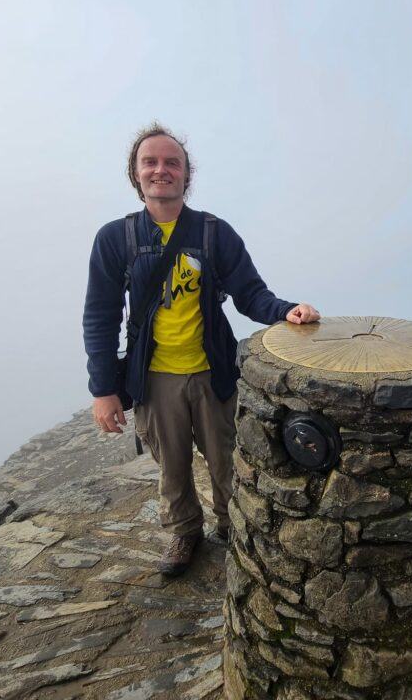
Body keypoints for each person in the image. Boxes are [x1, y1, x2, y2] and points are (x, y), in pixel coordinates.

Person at [83, 124, 320, 577]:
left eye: (172, 162)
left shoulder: (214, 233)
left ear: (187, 174)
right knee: (170, 466)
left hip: (214, 374)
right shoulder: (116, 239)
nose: (161, 170)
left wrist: (287, 310)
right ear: (136, 175)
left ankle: (235, 525)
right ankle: (184, 531)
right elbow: (100, 315)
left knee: (226, 458)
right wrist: (103, 390)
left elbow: (251, 294)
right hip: (153, 380)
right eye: (149, 162)